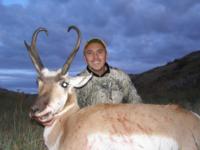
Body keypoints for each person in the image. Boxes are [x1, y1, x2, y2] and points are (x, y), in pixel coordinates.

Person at [76, 38, 142, 108]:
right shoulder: (77, 83)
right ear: (85, 58)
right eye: (90, 53)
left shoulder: (120, 76)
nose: (95, 57)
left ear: (106, 56)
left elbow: (136, 102)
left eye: (100, 52)